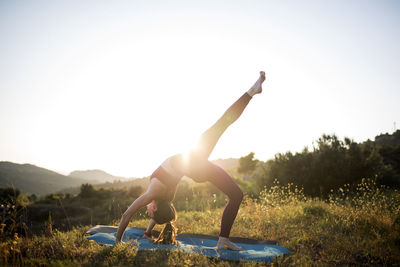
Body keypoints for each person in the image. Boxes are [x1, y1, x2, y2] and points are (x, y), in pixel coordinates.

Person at [115, 71, 266, 250]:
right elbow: (128, 214)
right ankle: (251, 92)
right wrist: (122, 241)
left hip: (197, 168)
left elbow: (142, 215)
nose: (148, 213)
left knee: (236, 195)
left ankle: (223, 239)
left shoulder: (162, 198)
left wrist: (134, 237)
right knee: (221, 124)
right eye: (150, 214)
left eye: (150, 216)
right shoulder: (155, 194)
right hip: (194, 161)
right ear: (155, 208)